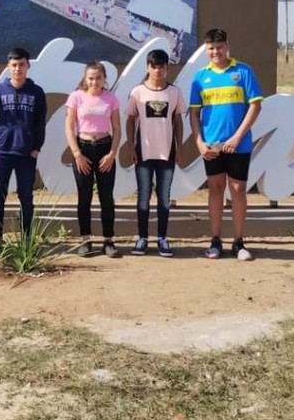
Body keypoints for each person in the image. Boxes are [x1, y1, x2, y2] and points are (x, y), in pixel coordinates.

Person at [189, 28, 263, 261]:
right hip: (211, 146)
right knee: (215, 190)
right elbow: (194, 114)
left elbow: (255, 106)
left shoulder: (243, 71)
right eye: (211, 48)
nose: (215, 52)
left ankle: (239, 242)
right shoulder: (200, 77)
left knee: (238, 191)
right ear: (206, 50)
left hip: (238, 145)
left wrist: (237, 137)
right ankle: (215, 241)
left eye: (219, 47)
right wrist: (199, 142)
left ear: (227, 46)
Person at [0, 48, 47, 250]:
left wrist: (37, 147)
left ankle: (27, 237)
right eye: (14, 65)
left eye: (21, 64)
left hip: (26, 153)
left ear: (27, 65)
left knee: (26, 196)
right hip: (2, 151)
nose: (18, 69)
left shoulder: (36, 92)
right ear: (8, 66)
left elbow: (40, 123)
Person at [125, 48, 184, 257]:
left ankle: (162, 238)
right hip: (143, 153)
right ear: (147, 67)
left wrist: (179, 148)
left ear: (167, 68)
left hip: (167, 152)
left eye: (161, 66)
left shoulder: (174, 92)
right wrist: (131, 146)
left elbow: (177, 120)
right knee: (143, 196)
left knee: (164, 197)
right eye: (153, 66)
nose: (157, 70)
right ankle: (142, 238)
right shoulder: (137, 92)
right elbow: (130, 118)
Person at [65, 61, 121, 257]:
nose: (94, 82)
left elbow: (117, 129)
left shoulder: (111, 98)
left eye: (98, 78)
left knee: (106, 197)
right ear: (85, 78)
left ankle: (108, 240)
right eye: (90, 78)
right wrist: (77, 153)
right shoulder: (76, 97)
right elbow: (69, 126)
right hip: (83, 149)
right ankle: (85, 239)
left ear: (105, 78)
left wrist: (112, 154)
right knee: (84, 196)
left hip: (105, 148)